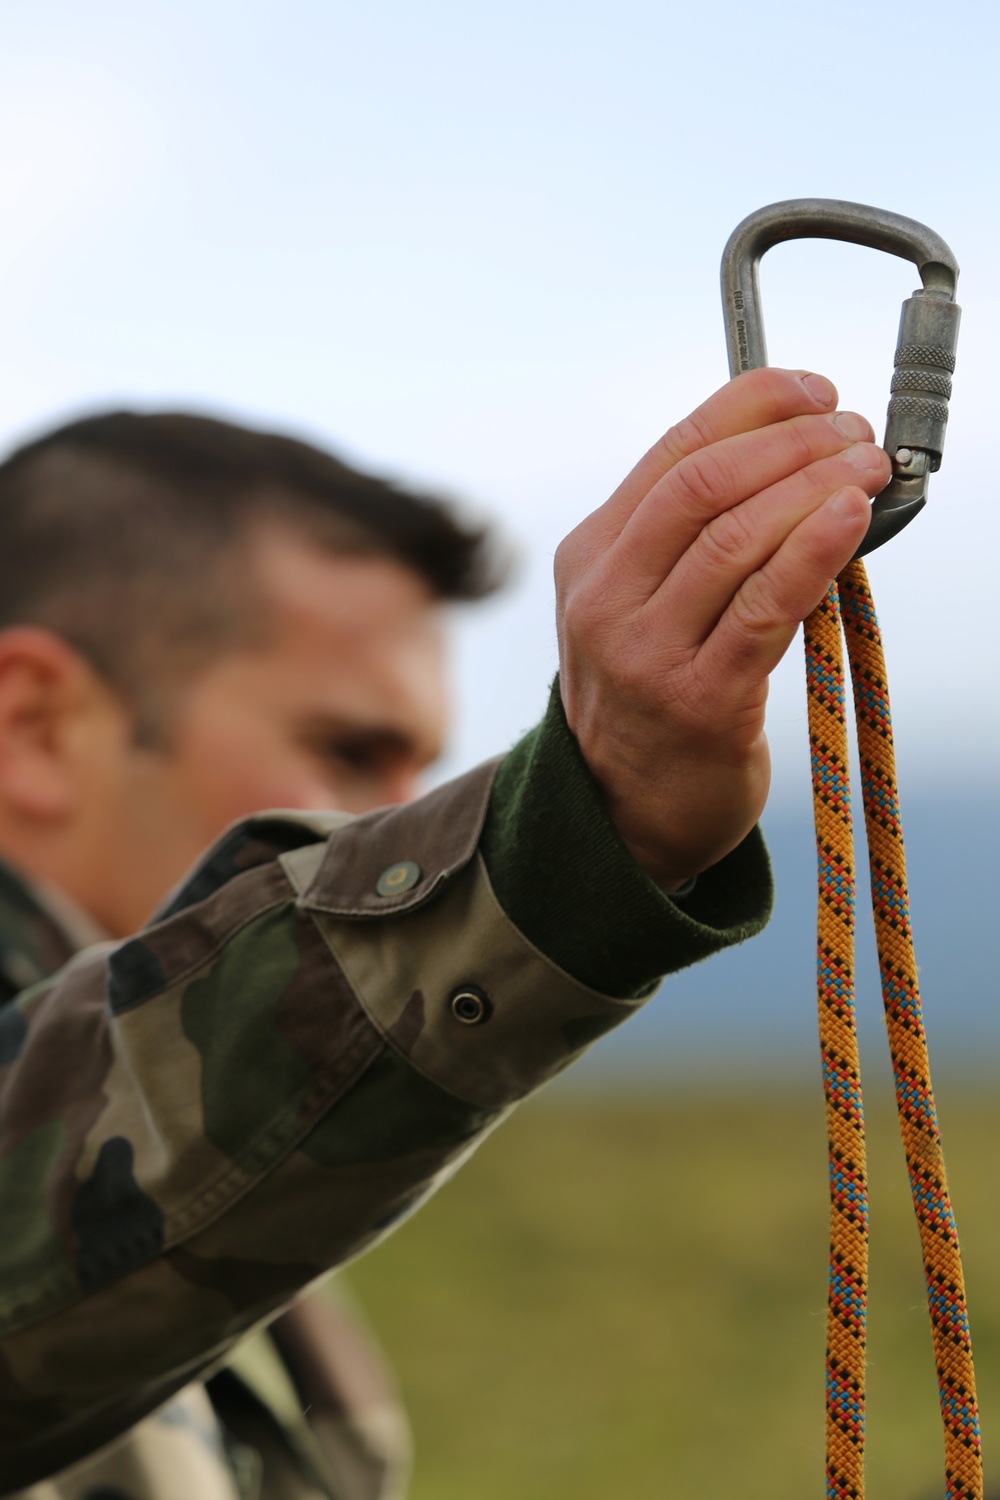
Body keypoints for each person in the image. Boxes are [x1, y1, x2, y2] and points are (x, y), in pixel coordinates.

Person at [0, 366, 889, 1499]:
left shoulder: (246, 1183)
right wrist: (569, 832)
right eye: (349, 750)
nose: (386, 819)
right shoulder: (192, 1145)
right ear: (34, 726)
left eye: (423, 765)